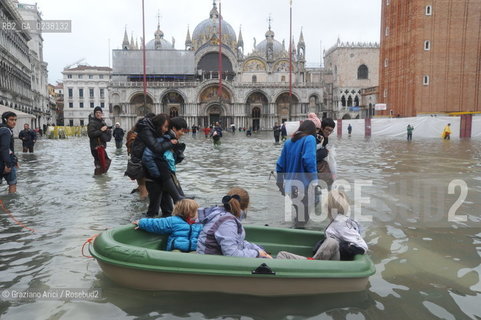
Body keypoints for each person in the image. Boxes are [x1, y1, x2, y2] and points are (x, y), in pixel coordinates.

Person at [276, 190, 368, 261]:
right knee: (282, 255)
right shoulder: (341, 221)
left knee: (282, 255)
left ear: (328, 208)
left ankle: (312, 264)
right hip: (328, 260)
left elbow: (362, 246)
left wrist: (342, 248)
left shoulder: (340, 223)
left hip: (332, 265)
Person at [196, 187, 272, 258]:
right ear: (246, 206)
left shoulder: (223, 215)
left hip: (214, 257)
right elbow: (232, 254)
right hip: (212, 262)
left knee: (261, 249)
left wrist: (258, 249)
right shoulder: (227, 223)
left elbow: (238, 242)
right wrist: (257, 253)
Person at [143, 117, 189, 217]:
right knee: (153, 210)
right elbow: (147, 156)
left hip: (164, 178)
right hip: (155, 178)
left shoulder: (171, 140)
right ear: (174, 128)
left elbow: (170, 160)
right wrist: (156, 174)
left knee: (167, 209)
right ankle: (143, 227)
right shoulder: (164, 139)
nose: (183, 133)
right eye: (181, 130)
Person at [276, 120, 318, 227]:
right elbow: (309, 161)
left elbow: (280, 165)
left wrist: (280, 183)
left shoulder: (288, 142)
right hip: (303, 186)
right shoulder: (310, 139)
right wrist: (315, 181)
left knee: (300, 216)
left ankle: (293, 231)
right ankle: (297, 237)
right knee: (303, 218)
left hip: (290, 187)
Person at [133, 199, 203, 252]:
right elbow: (158, 224)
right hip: (177, 249)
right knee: (176, 253)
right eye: (197, 211)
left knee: (196, 254)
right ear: (189, 212)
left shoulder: (199, 224)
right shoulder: (174, 221)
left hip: (193, 250)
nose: (199, 213)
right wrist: (141, 223)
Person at [125, 113, 155, 200]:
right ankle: (143, 210)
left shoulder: (135, 132)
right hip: (140, 164)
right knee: (143, 187)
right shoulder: (140, 134)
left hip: (137, 163)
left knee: (143, 186)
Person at [87, 106, 112, 175]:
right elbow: (91, 134)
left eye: (99, 112)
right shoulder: (92, 123)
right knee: (100, 164)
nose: (98, 114)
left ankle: (100, 180)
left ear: (102, 114)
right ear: (94, 114)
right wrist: (101, 130)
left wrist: (108, 131)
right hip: (95, 148)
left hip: (102, 147)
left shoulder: (103, 123)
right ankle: (98, 180)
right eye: (96, 112)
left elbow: (108, 139)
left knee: (105, 163)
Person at [0, 112, 18, 193]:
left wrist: (15, 159)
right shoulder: (6, 131)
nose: (14, 122)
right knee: (12, 183)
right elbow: (5, 148)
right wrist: (8, 164)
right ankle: (12, 203)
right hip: (6, 162)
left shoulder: (2, 129)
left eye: (15, 120)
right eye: (11, 119)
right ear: (5, 120)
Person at [316, 117, 336, 189]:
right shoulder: (316, 137)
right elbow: (311, 156)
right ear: (322, 128)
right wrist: (325, 152)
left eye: (331, 131)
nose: (329, 132)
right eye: (327, 129)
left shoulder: (325, 138)